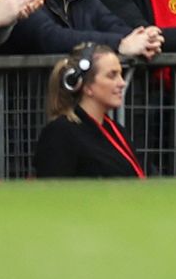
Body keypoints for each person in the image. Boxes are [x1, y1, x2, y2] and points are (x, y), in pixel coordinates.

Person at [31, 42, 146, 178]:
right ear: (86, 86)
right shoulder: (60, 133)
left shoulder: (115, 130)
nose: (122, 83)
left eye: (121, 74)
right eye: (112, 75)